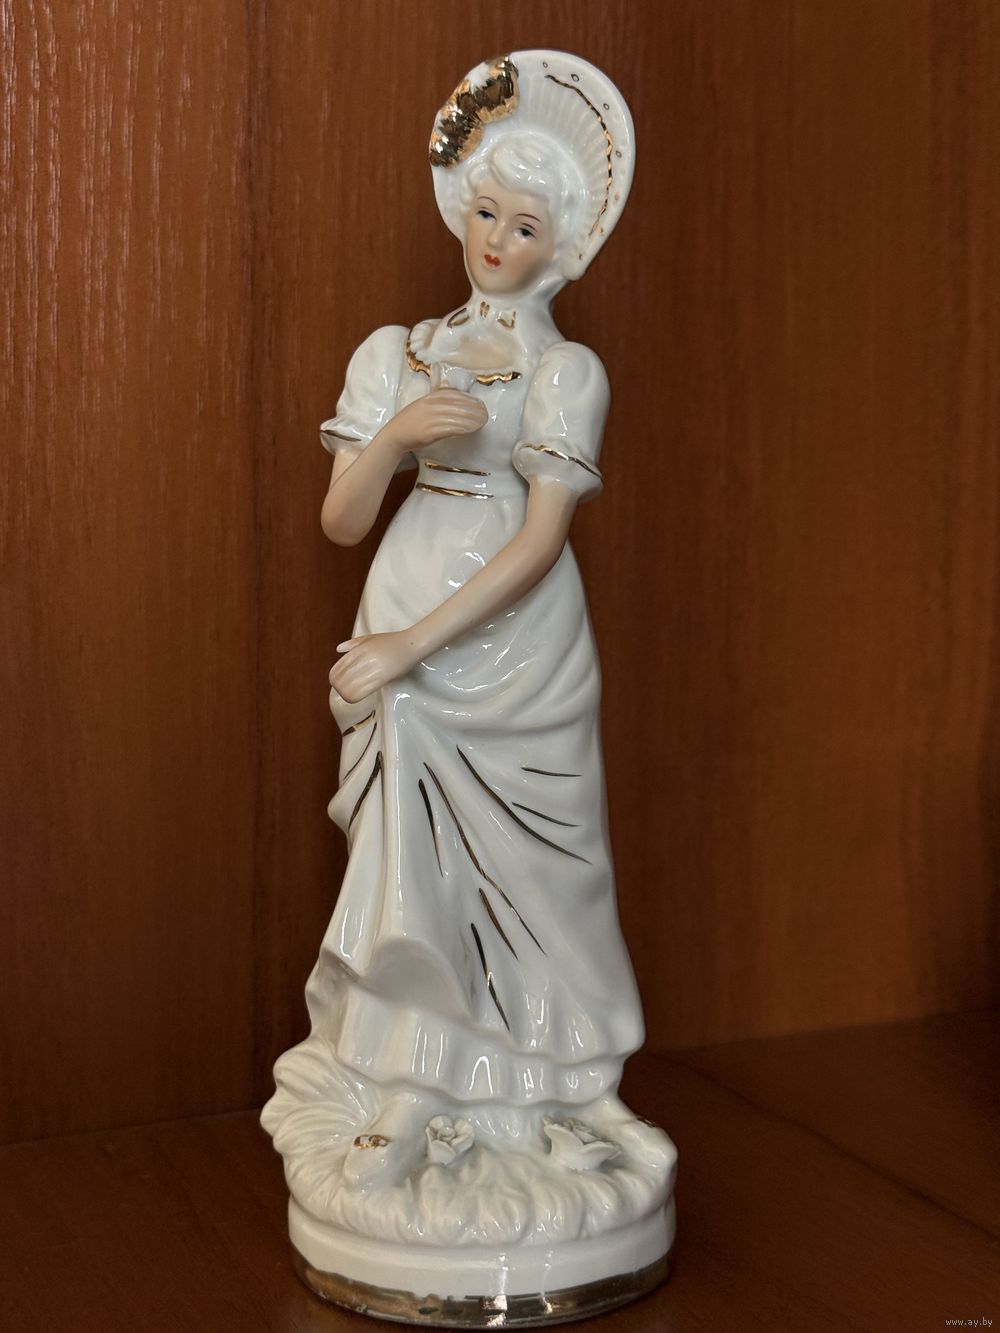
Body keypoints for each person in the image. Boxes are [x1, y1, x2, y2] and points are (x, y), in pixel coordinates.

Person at [264, 52, 671, 1209]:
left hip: (515, 646)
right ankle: (409, 1087)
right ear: (461, 207)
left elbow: (539, 541)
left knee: (535, 875)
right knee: (412, 868)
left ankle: (548, 1091)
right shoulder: (397, 351)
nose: (497, 240)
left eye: (525, 225)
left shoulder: (565, 373)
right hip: (403, 602)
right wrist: (394, 439)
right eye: (486, 211)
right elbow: (342, 521)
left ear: (563, 245)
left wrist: (413, 646)